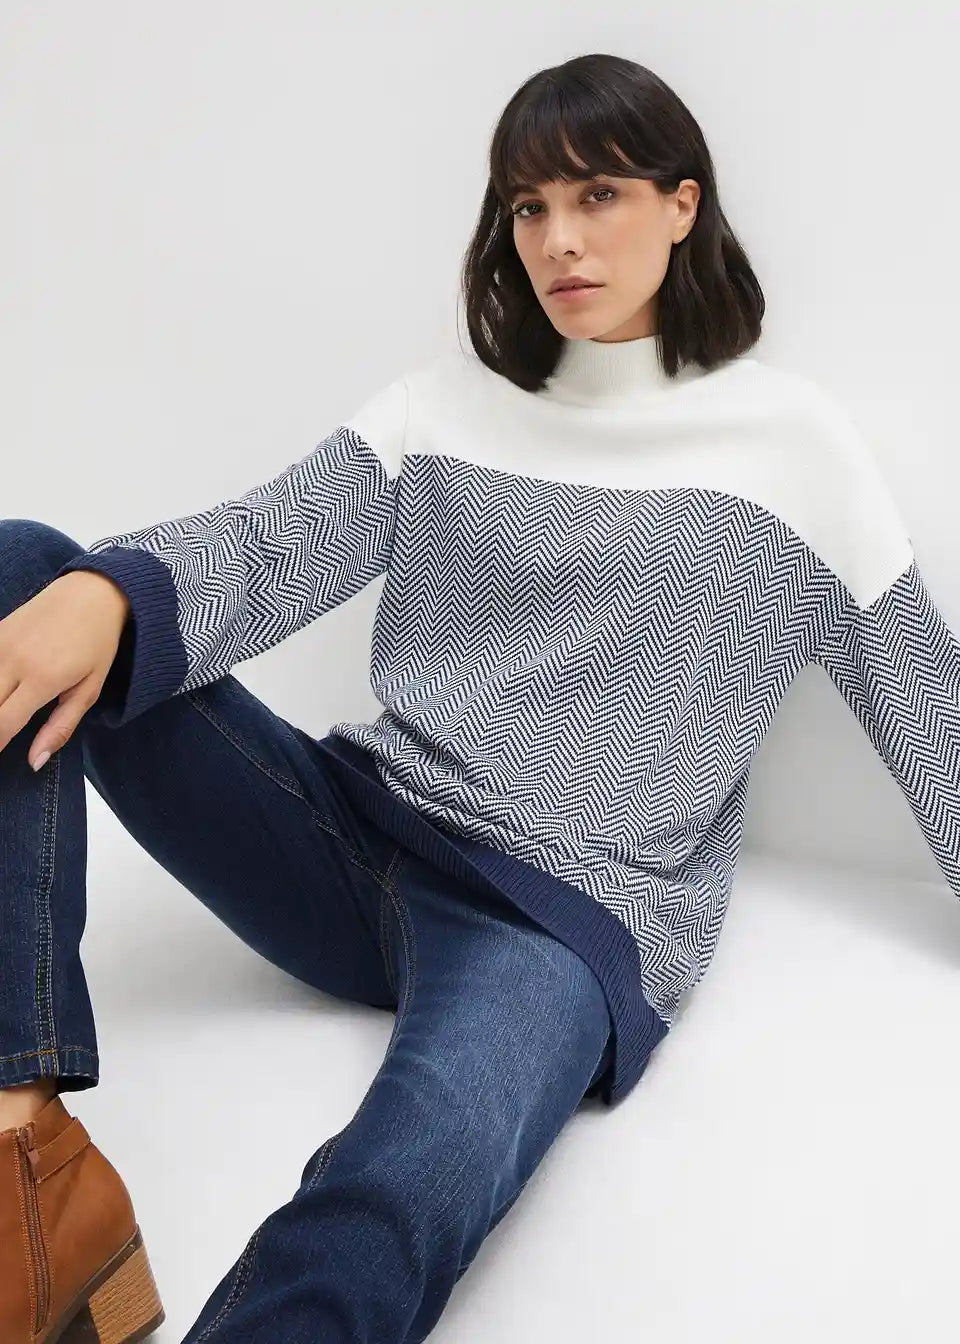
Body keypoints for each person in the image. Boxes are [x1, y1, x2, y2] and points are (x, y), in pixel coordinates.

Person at [2, 49, 957, 1344]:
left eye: (599, 194)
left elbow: (932, 716)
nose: (559, 239)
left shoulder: (797, 452)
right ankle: (23, 1150)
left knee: (399, 1186)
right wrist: (114, 594)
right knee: (31, 570)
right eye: (528, 206)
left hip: (559, 916)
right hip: (349, 835)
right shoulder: (441, 411)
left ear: (683, 205)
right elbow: (268, 549)